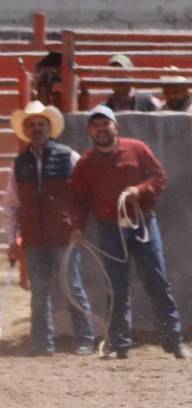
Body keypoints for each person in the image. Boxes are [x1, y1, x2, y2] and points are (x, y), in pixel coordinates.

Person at [69, 105, 188, 360]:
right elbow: (78, 200)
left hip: (142, 223)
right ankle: (119, 344)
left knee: (157, 280)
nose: (101, 129)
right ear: (90, 131)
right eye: (96, 125)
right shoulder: (85, 163)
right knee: (115, 287)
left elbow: (159, 178)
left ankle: (174, 342)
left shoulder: (137, 149)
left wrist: (140, 190)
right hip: (109, 229)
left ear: (116, 127)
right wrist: (77, 230)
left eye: (105, 124)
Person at [5, 101, 95, 356]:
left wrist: (78, 227)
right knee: (39, 292)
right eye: (31, 125)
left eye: (41, 124)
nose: (36, 129)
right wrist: (13, 240)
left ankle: (85, 339)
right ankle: (42, 343)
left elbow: (83, 197)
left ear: (49, 128)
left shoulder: (69, 156)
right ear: (26, 129)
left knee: (72, 287)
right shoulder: (19, 164)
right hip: (34, 237)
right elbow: (12, 205)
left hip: (64, 235)